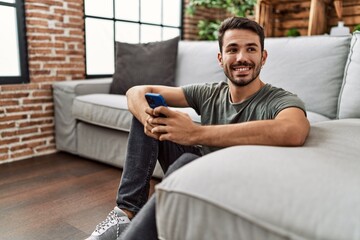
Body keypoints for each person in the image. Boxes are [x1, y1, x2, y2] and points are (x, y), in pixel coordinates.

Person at [86, 16, 310, 240]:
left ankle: (152, 227)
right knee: (151, 112)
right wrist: (151, 122)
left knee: (185, 163)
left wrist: (196, 133)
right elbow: (136, 92)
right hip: (197, 174)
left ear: (263, 56)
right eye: (232, 50)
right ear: (221, 59)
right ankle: (124, 213)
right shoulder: (209, 92)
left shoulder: (279, 99)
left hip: (234, 187)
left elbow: (294, 130)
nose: (242, 57)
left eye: (251, 49)